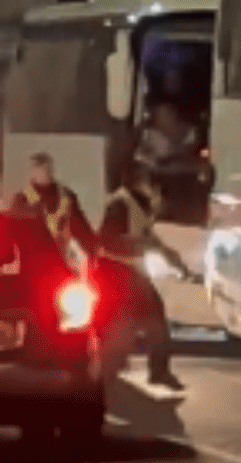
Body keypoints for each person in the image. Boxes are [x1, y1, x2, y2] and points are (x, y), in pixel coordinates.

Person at [96, 164, 196, 392]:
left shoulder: (136, 206)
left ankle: (156, 370)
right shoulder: (120, 205)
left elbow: (151, 239)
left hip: (130, 272)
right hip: (115, 272)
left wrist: (177, 263)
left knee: (153, 318)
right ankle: (117, 371)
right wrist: (139, 246)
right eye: (150, 183)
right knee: (134, 322)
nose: (154, 190)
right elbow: (105, 241)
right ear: (136, 182)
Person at [10, 152, 97, 264]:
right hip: (32, 263)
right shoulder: (22, 200)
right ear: (31, 172)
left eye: (44, 168)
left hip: (62, 263)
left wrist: (92, 253)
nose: (41, 173)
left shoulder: (66, 197)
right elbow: (11, 235)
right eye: (36, 168)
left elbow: (83, 231)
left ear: (51, 171)